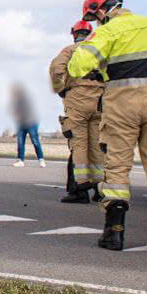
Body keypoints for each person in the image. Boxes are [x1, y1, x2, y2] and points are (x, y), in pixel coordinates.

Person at [68, 0, 147, 253]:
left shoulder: (107, 31)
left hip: (122, 104)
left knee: (117, 168)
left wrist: (93, 52)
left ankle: (114, 233)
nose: (95, 22)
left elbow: (77, 66)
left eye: (94, 18)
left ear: (101, 11)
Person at [50, 20, 105, 203]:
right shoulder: (100, 50)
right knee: (97, 145)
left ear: (74, 34)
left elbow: (57, 70)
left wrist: (61, 89)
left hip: (77, 99)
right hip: (99, 101)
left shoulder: (70, 50)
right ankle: (100, 188)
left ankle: (80, 186)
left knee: (78, 144)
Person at [10, 83, 44, 167]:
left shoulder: (27, 99)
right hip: (22, 123)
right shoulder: (17, 101)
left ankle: (41, 160)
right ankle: (20, 160)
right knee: (20, 142)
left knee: (35, 141)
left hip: (31, 122)